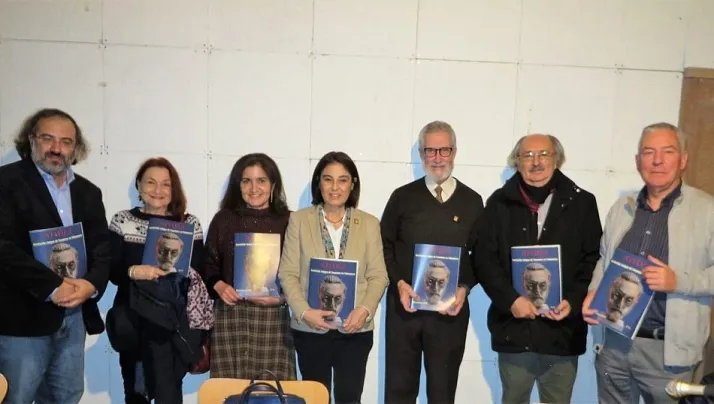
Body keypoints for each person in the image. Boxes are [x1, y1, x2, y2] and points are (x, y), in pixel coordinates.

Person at [582, 122, 714, 404]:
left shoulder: (707, 210)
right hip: (614, 342)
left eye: (668, 151)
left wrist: (679, 282)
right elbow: (605, 258)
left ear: (683, 160)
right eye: (648, 152)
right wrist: (594, 291)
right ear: (637, 160)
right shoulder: (622, 207)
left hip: (669, 353)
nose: (657, 160)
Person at [474, 133, 602, 404]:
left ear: (557, 159)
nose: (536, 162)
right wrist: (511, 300)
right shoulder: (498, 203)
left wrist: (573, 301)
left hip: (563, 332)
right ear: (517, 161)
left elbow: (592, 260)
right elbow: (484, 260)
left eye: (544, 154)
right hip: (514, 330)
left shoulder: (583, 203)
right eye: (528, 155)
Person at [0, 108, 111, 404]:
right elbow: (4, 248)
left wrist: (91, 285)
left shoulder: (89, 192)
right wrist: (53, 286)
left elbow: (102, 248)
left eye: (66, 141)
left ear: (76, 148)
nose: (56, 148)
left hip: (73, 316)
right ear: (31, 140)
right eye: (47, 138)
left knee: (66, 397)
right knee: (17, 397)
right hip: (22, 317)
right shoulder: (6, 182)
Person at [381, 121, 483, 404]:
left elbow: (482, 256)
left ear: (454, 152)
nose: (437, 158)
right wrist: (399, 283)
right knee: (399, 392)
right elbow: (383, 246)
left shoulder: (473, 202)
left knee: (442, 394)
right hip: (406, 309)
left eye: (444, 150)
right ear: (421, 153)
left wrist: (464, 287)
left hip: (449, 313)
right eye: (430, 151)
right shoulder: (402, 197)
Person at [278, 151, 389, 404]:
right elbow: (288, 272)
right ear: (319, 183)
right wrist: (305, 312)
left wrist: (364, 310)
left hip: (355, 329)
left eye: (342, 180)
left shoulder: (369, 223)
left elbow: (379, 275)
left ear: (353, 184)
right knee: (316, 399)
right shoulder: (299, 220)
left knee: (349, 398)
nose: (335, 187)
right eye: (328, 179)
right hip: (310, 328)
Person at [107, 157, 208, 403]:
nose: (158, 190)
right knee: (136, 392)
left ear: (174, 189)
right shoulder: (123, 221)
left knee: (169, 390)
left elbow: (199, 272)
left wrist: (177, 271)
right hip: (133, 319)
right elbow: (111, 271)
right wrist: (134, 271)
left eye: (166, 184)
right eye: (150, 182)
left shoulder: (189, 223)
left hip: (173, 322)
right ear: (139, 185)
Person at [200, 153, 296, 380]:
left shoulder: (289, 221)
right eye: (246, 181)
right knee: (229, 390)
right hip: (230, 316)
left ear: (273, 185)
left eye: (261, 180)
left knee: (272, 389)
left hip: (273, 318)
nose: (254, 188)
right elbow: (207, 264)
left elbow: (298, 271)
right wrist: (220, 286)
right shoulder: (223, 219)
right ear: (238, 185)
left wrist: (283, 298)